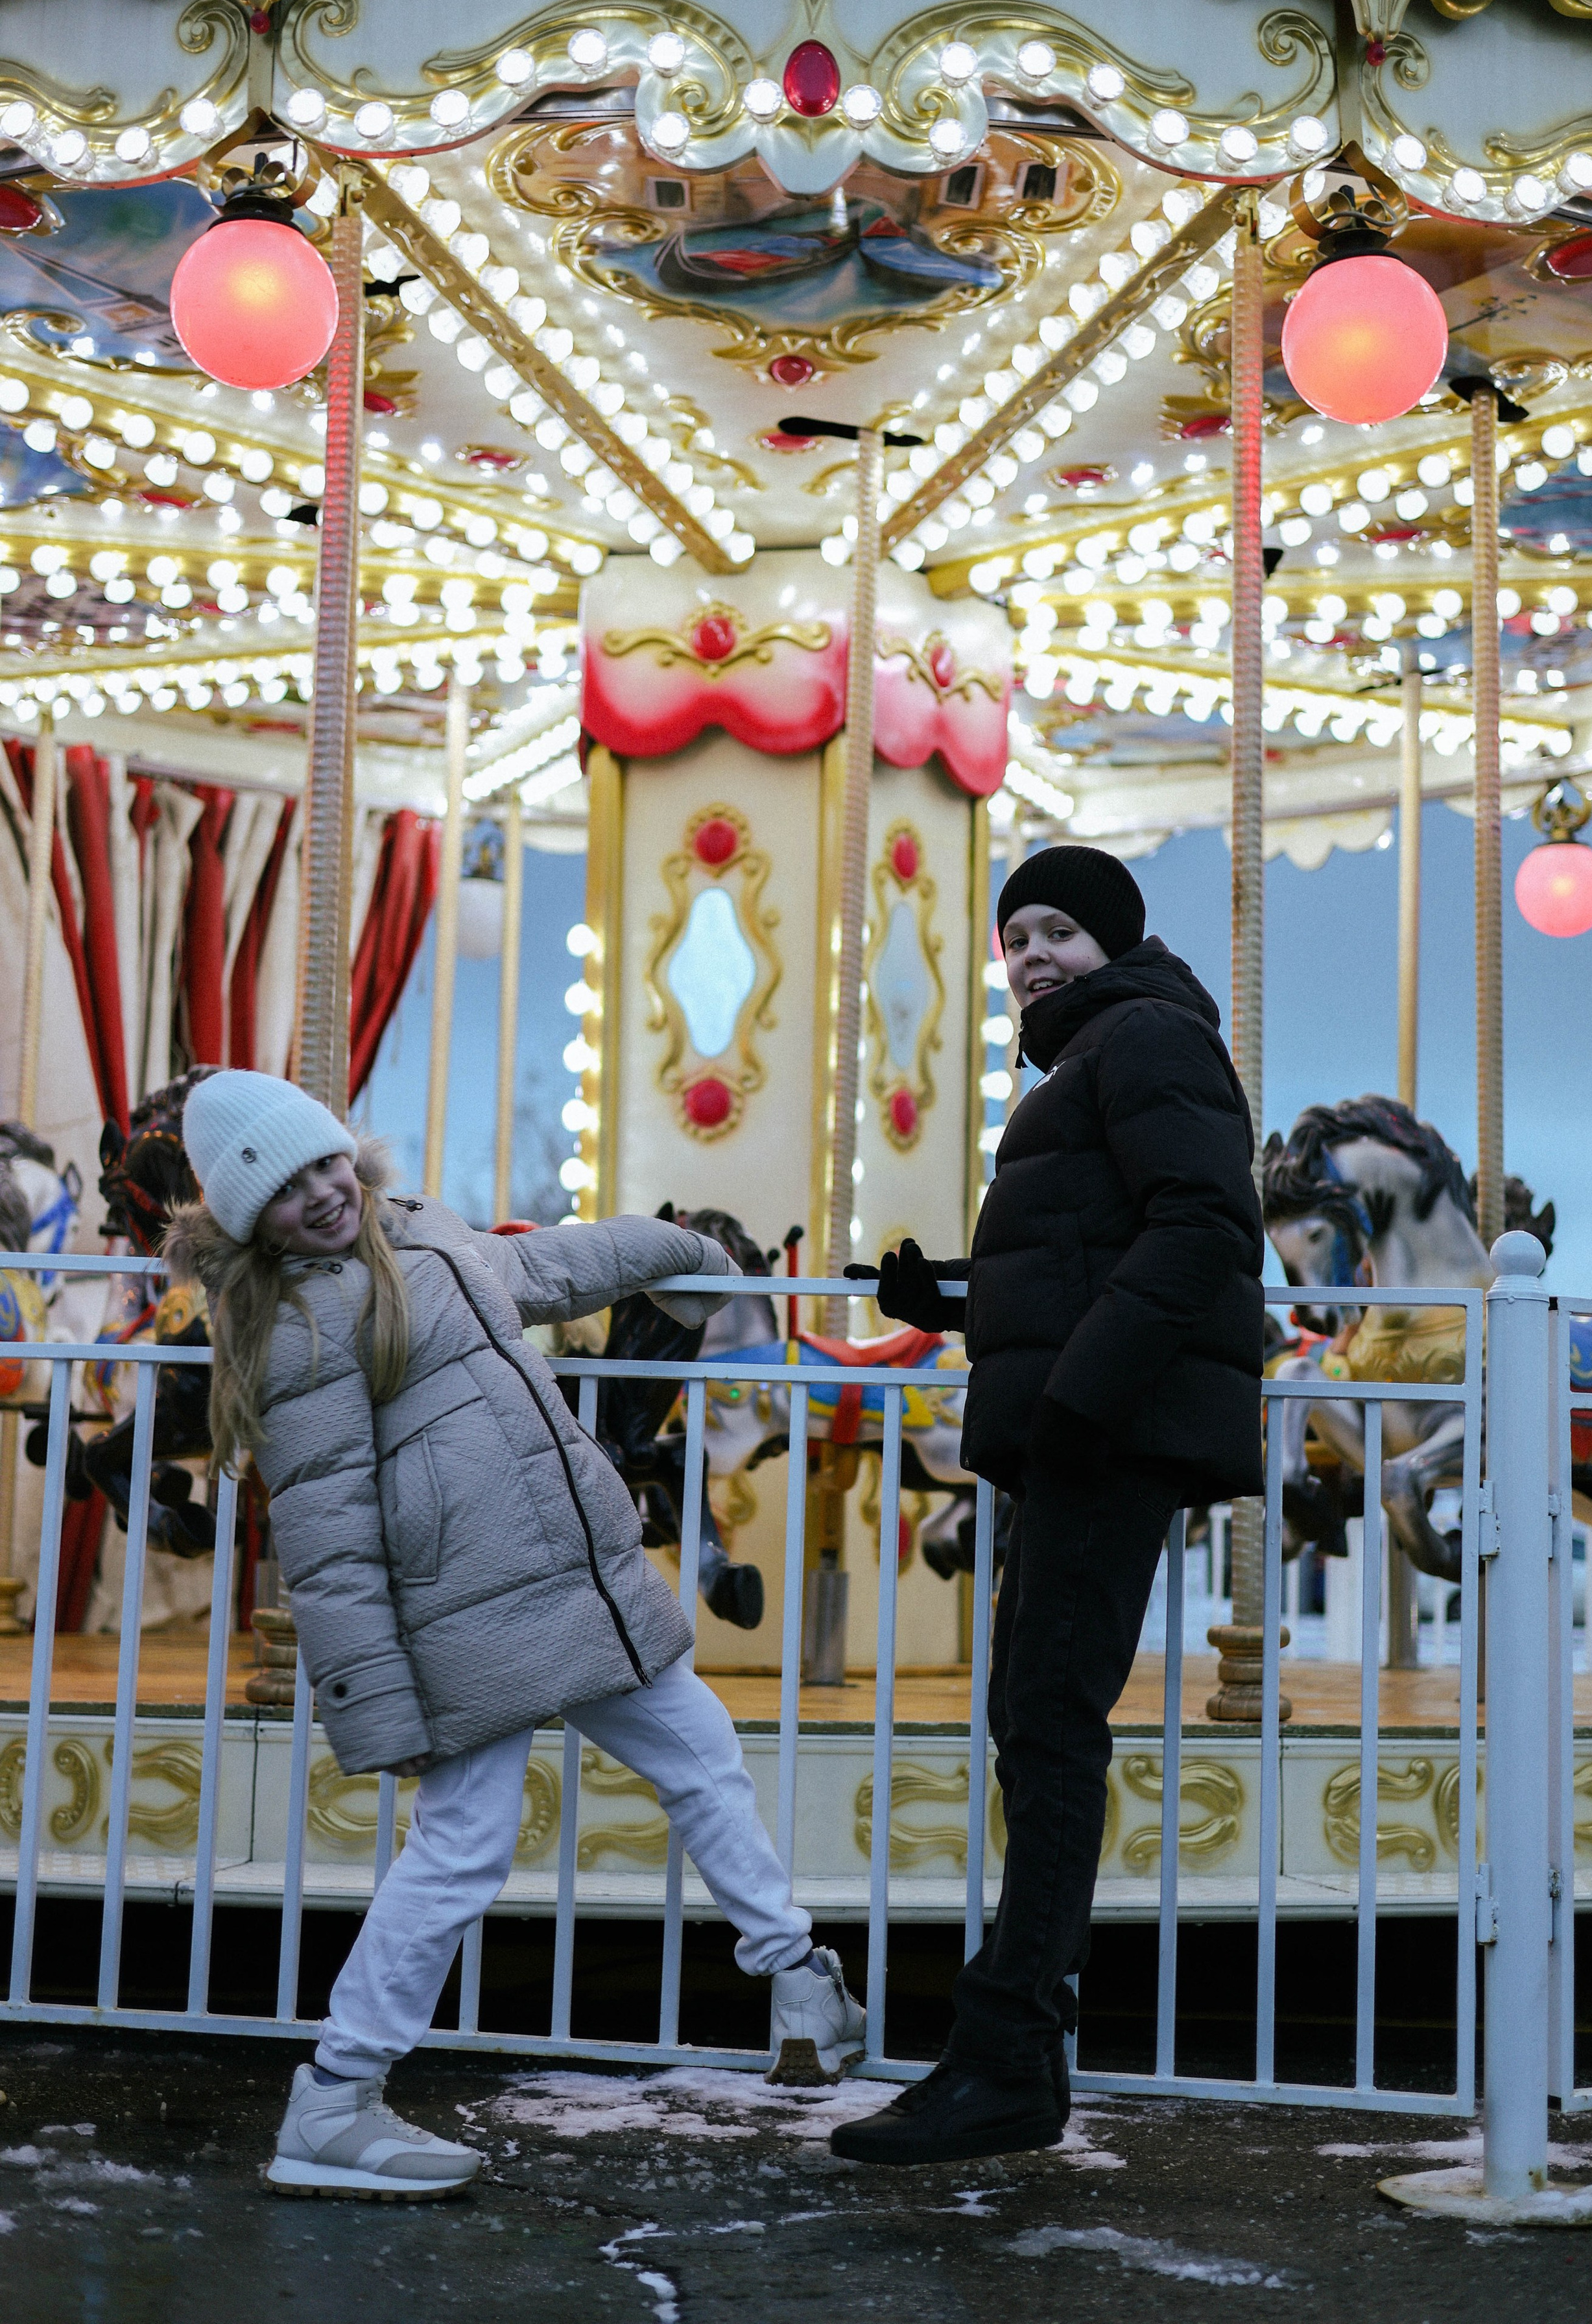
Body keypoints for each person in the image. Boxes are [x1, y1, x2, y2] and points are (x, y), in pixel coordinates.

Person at [169, 1069, 863, 2201]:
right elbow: (329, 1530)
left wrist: (677, 1248)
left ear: (351, 1153)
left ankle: (797, 1976)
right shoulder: (297, 1323)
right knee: (461, 1849)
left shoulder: (424, 1236)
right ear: (253, 1223)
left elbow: (547, 1266)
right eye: (287, 1191)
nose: (321, 1193)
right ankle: (335, 2102)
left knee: (702, 1757)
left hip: (570, 1579)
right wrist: (374, 1699)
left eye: (324, 1163)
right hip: (461, 1616)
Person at [831, 845, 1263, 2165]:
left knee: (1052, 1727)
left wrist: (1078, 1395)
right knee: (1038, 1722)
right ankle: (1009, 2050)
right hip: (1086, 1427)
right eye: (1013, 933)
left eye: (1057, 929)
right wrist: (950, 1300)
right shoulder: (1096, 1057)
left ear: (1112, 943)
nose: (1029, 953)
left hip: (1105, 1435)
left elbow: (1199, 1226)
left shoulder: (1142, 1040)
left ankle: (1008, 2055)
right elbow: (1085, 1249)